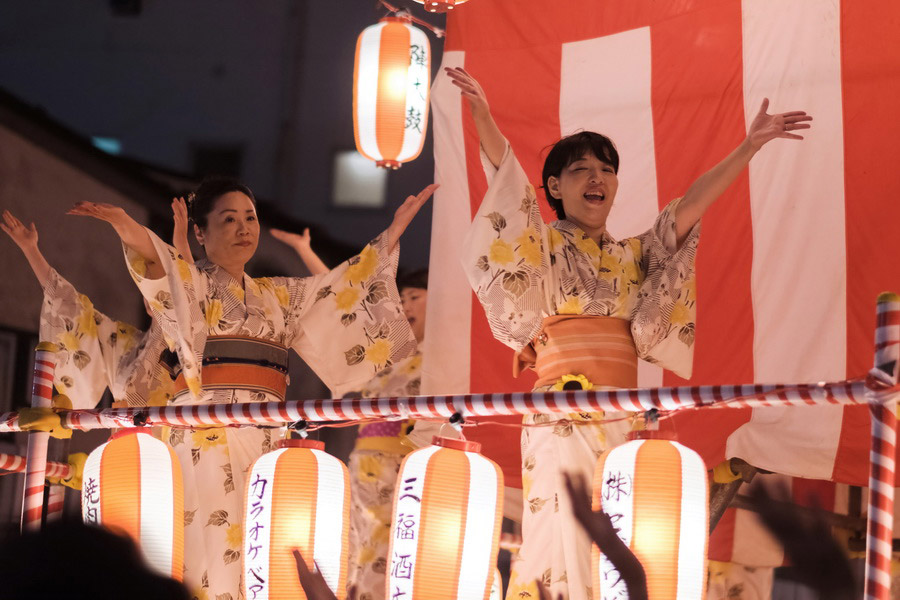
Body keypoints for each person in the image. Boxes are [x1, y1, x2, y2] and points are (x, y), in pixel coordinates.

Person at [447, 66, 811, 599]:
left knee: (623, 529)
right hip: (562, 414)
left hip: (623, 410)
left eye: (606, 169)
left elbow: (690, 207)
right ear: (554, 186)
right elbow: (507, 181)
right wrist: (483, 114)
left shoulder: (634, 255)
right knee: (567, 530)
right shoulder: (541, 247)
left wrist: (748, 147)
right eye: (580, 170)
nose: (596, 178)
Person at [68, 177, 436, 598]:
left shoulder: (279, 295)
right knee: (206, 547)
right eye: (229, 219)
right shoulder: (195, 284)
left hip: (266, 436)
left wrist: (390, 236)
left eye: (250, 218)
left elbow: (341, 292)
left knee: (262, 550)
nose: (245, 228)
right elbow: (160, 262)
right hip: (205, 430)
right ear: (200, 233)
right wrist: (123, 223)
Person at [1, 208, 186, 410]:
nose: (155, 292)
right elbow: (68, 305)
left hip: (172, 436)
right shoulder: (129, 346)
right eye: (148, 286)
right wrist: (30, 249)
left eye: (162, 286)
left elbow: (191, 290)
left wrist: (182, 246)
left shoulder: (188, 339)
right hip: (124, 438)